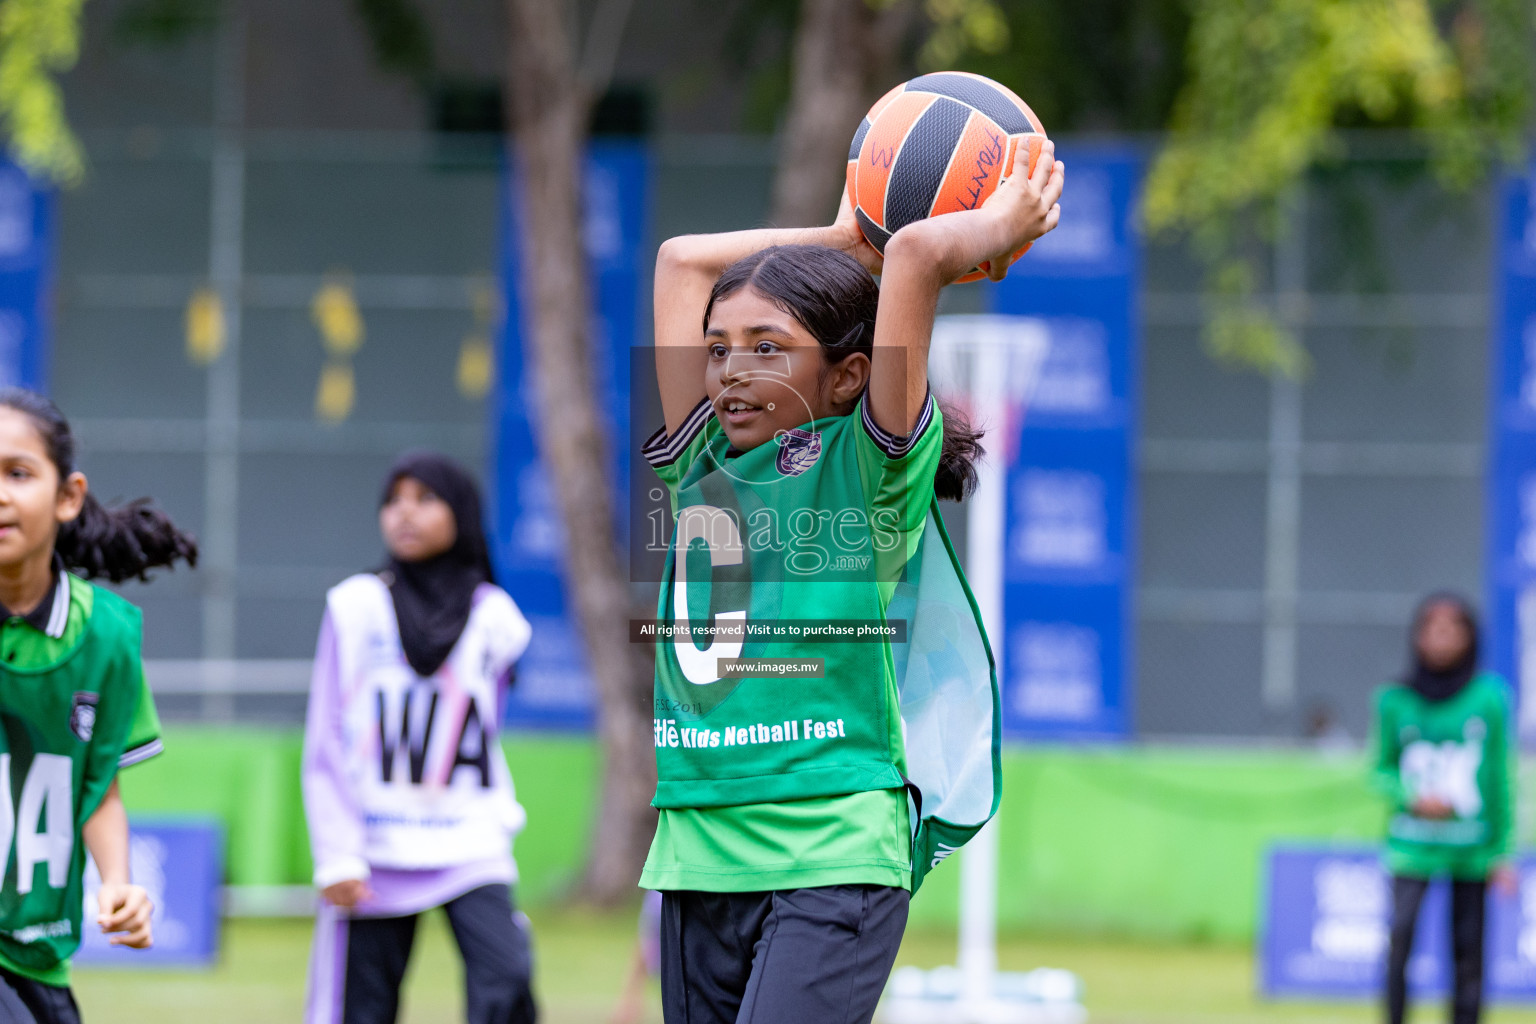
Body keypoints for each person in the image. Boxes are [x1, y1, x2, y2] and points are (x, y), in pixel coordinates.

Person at [640, 142, 1063, 1023]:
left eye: (767, 347)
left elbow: (914, 255)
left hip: (832, 850)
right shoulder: (702, 464)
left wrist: (989, 227)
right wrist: (840, 233)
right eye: (718, 350)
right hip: (698, 847)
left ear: (847, 376)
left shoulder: (868, 467)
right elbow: (681, 260)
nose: (730, 371)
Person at [302, 451, 536, 1024]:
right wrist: (337, 853)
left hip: (470, 841)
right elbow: (325, 733)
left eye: (425, 498)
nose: (404, 514)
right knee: (364, 1008)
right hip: (375, 846)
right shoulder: (355, 605)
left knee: (506, 983)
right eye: (393, 500)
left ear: (461, 512)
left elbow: (490, 721)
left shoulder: (497, 617)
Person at [0, 388, 193, 1023]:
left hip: (37, 950)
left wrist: (117, 883)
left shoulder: (107, 636)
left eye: (17, 472)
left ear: (68, 496)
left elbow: (97, 785)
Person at [1370, 593, 1517, 1024]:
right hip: (1411, 846)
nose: (1443, 640)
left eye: (1454, 631)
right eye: (1433, 630)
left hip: (1470, 849)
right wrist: (1411, 796)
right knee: (1399, 940)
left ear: (1470, 638)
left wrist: (1502, 850)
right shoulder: (1395, 699)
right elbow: (1378, 770)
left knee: (1468, 951)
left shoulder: (1489, 697)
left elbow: (1499, 779)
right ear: (1417, 637)